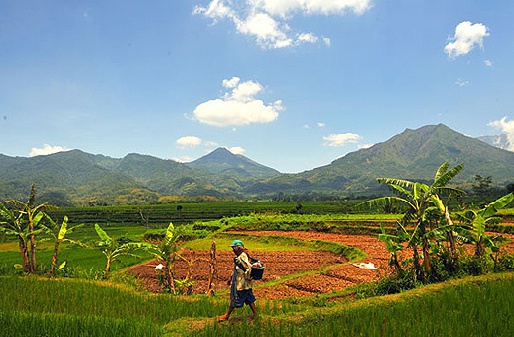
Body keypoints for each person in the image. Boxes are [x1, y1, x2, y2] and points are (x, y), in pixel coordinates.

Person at [217, 239, 257, 322]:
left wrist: (247, 277)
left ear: (238, 248)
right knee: (249, 298)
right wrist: (230, 278)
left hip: (241, 284)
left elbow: (248, 267)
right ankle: (255, 314)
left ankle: (226, 315)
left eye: (233, 248)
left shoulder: (242, 257)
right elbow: (236, 269)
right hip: (244, 283)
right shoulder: (239, 257)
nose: (232, 250)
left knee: (235, 297)